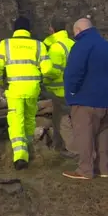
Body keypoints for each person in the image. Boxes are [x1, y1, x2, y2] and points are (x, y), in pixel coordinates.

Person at [0, 16, 53, 170]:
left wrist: (0, 82)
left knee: (16, 120)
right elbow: (47, 69)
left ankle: (20, 156)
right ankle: (29, 145)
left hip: (15, 90)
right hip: (32, 89)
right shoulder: (38, 45)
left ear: (15, 29)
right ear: (29, 30)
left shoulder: (5, 44)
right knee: (30, 118)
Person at [62, 18, 108, 180]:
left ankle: (85, 170)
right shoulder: (106, 45)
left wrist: (71, 91)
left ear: (78, 30)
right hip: (104, 98)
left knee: (84, 134)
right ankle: (103, 168)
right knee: (101, 134)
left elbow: (74, 71)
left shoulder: (82, 45)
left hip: (85, 97)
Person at [42, 18, 76, 158]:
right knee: (65, 119)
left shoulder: (56, 47)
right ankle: (58, 147)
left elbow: (53, 71)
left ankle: (74, 151)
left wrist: (43, 78)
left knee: (63, 121)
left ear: (52, 29)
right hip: (74, 89)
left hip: (60, 91)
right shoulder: (73, 44)